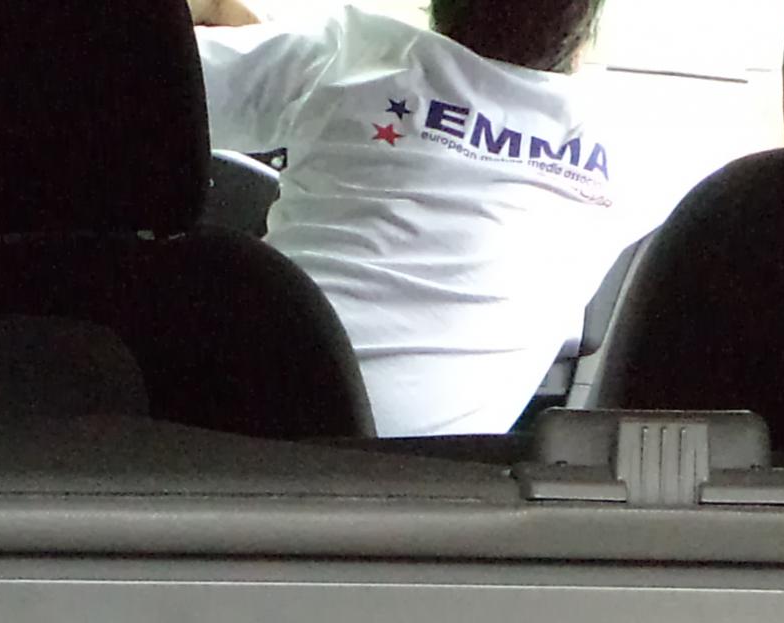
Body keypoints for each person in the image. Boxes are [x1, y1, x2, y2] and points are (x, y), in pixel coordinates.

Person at [186, 0, 641, 437]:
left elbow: (152, 81)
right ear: (584, 40)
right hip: (418, 478)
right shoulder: (626, 159)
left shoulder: (351, 54)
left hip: (223, 428)